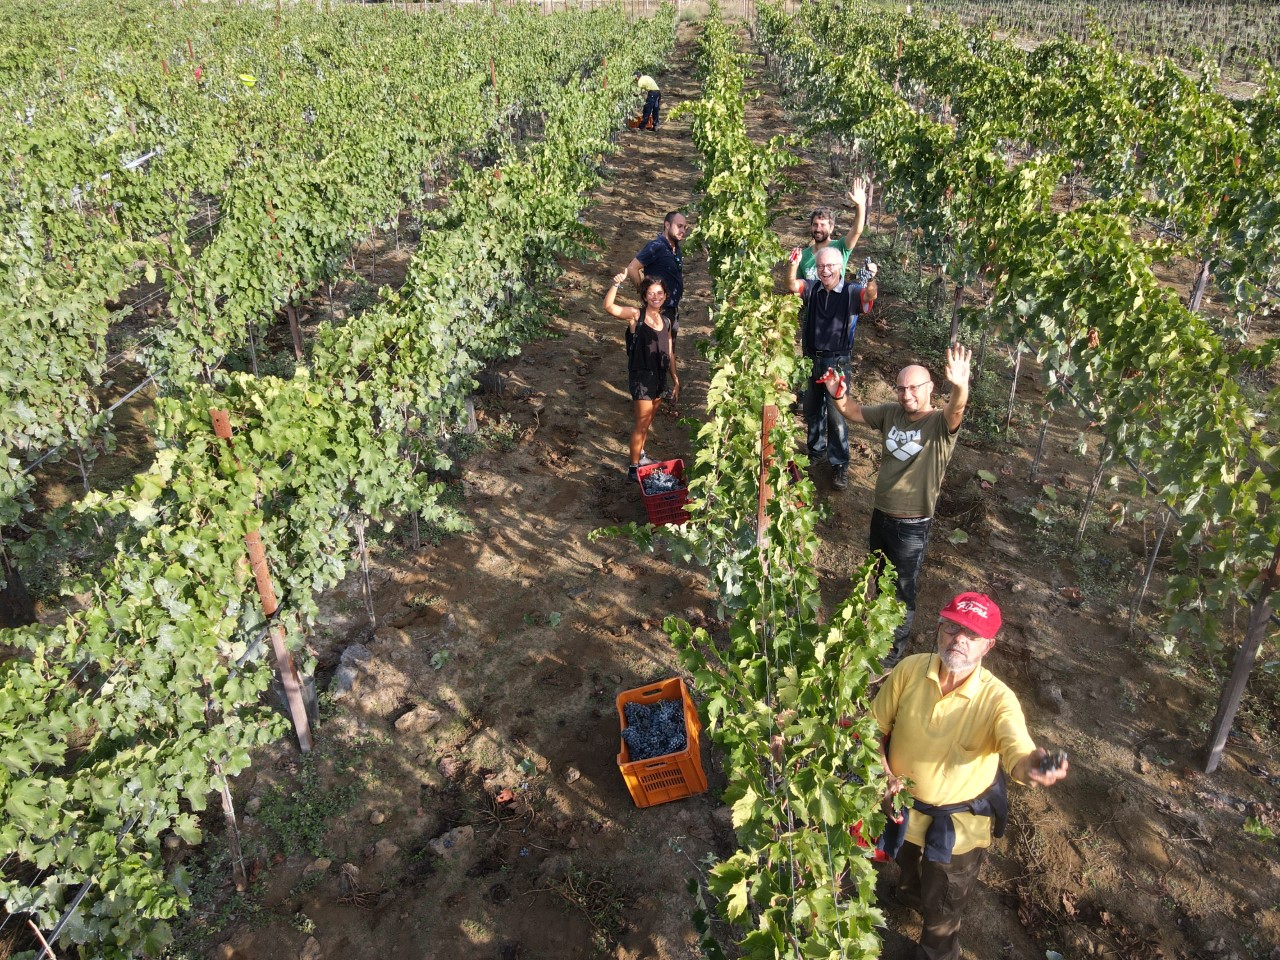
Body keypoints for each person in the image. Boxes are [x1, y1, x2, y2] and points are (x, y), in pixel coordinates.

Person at [872, 592, 1068, 960]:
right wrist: (884, 775)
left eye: (972, 635)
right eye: (952, 627)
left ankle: (936, 951)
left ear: (988, 646)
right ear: (939, 628)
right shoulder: (911, 670)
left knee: (944, 906)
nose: (959, 640)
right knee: (908, 869)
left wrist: (1033, 765)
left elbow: (1018, 750)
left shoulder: (998, 700)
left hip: (956, 832)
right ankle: (910, 896)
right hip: (901, 810)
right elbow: (873, 729)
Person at [819, 344, 971, 661]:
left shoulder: (940, 425)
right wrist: (837, 394)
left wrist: (960, 386)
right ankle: (877, 630)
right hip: (881, 516)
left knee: (902, 591)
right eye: (901, 388)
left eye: (914, 388)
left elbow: (956, 408)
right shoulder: (891, 413)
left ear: (930, 388)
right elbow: (853, 411)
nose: (906, 395)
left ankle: (892, 655)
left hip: (912, 526)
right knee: (879, 578)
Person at [786, 246, 876, 491]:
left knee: (837, 416)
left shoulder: (851, 292)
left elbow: (869, 297)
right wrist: (793, 264)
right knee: (812, 410)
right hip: (811, 359)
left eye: (830, 266)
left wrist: (871, 279)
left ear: (840, 268)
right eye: (821, 266)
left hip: (837, 363)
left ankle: (839, 464)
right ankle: (816, 453)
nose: (825, 271)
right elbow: (793, 285)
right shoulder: (813, 288)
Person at [603, 271, 679, 481]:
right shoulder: (637, 315)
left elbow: (670, 353)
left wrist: (675, 379)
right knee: (642, 422)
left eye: (660, 293)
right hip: (642, 376)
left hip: (660, 376)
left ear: (665, 295)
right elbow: (610, 307)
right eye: (651, 293)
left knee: (649, 420)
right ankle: (633, 468)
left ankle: (641, 455)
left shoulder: (666, 321)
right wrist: (615, 284)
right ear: (645, 296)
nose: (656, 296)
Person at [790, 177, 868, 283]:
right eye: (815, 225)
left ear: (831, 228)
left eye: (823, 225)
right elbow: (796, 286)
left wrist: (860, 206)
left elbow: (857, 230)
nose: (818, 229)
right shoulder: (803, 256)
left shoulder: (840, 247)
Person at [626, 211, 688, 339]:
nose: (683, 231)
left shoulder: (676, 248)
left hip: (672, 309)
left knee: (669, 348)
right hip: (658, 310)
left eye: (685, 227)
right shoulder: (656, 247)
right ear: (667, 225)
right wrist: (644, 293)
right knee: (657, 350)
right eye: (679, 226)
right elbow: (632, 268)